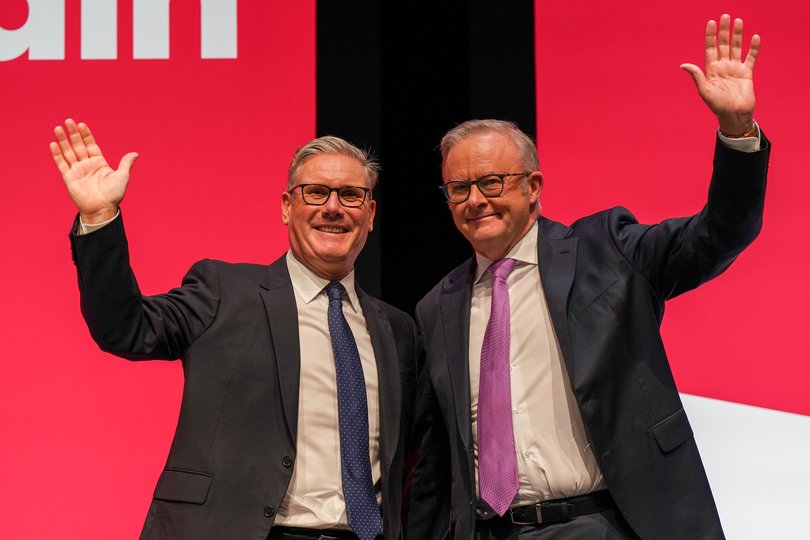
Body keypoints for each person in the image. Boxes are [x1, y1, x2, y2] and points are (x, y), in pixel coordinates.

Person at [407, 14, 769, 540]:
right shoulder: (438, 306)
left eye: (490, 181)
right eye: (457, 188)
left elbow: (718, 234)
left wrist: (737, 132)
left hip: (603, 523)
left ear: (533, 186)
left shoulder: (607, 249)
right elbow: (437, 462)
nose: (475, 200)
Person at [50, 125, 418, 540]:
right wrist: (100, 218)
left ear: (370, 214)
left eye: (350, 195)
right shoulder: (223, 290)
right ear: (285, 207)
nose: (333, 207)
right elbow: (125, 328)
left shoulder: (398, 329)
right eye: (315, 192)